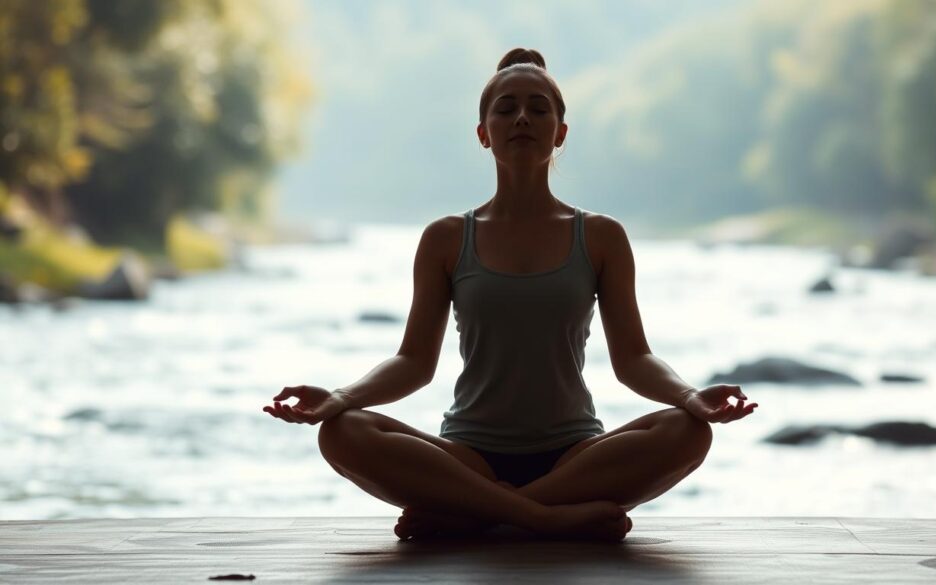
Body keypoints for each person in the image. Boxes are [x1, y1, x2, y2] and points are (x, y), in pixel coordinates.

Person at [262, 48, 758, 542]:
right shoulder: (447, 238)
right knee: (343, 432)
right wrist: (340, 397)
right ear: (483, 133)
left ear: (560, 132)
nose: (522, 117)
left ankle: (474, 512)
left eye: (539, 108)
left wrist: (691, 397)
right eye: (506, 108)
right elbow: (414, 362)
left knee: (690, 431)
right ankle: (544, 517)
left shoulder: (602, 237)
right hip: (468, 455)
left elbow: (634, 359)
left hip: (574, 455)